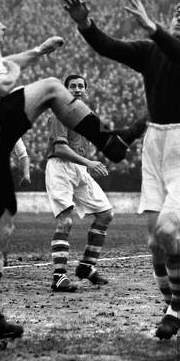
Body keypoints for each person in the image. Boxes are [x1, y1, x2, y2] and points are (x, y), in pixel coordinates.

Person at [0, 0, 138, 340]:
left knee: (0, 231)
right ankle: (111, 142)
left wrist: (38, 51)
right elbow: (1, 83)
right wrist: (16, 72)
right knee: (50, 88)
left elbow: (5, 62)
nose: (3, 24)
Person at [62, 0, 180, 340]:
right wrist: (85, 24)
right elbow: (108, 46)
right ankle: (178, 299)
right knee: (154, 243)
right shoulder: (151, 51)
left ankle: (176, 307)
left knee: (166, 232)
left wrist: (152, 27)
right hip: (156, 143)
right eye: (176, 12)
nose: (179, 17)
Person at [44, 73, 116, 293]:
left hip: (80, 170)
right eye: (72, 86)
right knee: (65, 222)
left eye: (80, 86)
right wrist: (89, 162)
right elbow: (60, 148)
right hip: (60, 168)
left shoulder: (88, 117)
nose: (76, 89)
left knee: (105, 214)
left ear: (87, 91)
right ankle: (59, 277)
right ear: (65, 91)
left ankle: (86, 266)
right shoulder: (59, 114)